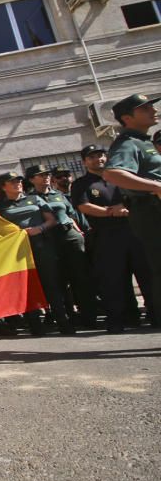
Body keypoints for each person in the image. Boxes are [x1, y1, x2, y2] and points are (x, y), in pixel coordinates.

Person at [72, 144, 155, 332]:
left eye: (101, 155)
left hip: (134, 232)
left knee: (147, 275)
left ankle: (156, 316)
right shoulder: (82, 184)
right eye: (92, 157)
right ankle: (121, 319)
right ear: (85, 162)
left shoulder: (120, 178)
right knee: (114, 280)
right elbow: (84, 206)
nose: (98, 159)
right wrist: (111, 212)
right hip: (107, 236)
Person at [103, 93, 161, 329]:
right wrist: (157, 186)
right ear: (127, 118)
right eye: (145, 108)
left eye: (151, 106)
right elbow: (113, 173)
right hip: (151, 212)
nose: (153, 110)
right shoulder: (127, 143)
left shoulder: (144, 141)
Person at [0, 171, 72, 335]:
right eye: (12, 182)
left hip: (42, 246)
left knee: (52, 285)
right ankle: (35, 325)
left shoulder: (34, 199)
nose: (17, 184)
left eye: (18, 181)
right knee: (26, 287)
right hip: (17, 252)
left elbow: (52, 220)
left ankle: (63, 322)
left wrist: (40, 228)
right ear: (3, 187)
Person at [26, 163, 96, 328]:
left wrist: (82, 232)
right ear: (31, 179)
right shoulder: (29, 199)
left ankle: (89, 316)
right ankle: (68, 316)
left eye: (47, 174)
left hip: (69, 237)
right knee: (58, 281)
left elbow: (73, 215)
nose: (46, 177)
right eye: (41, 175)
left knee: (80, 277)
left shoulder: (58, 194)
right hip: (49, 240)